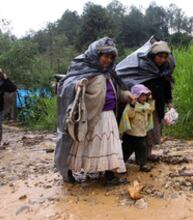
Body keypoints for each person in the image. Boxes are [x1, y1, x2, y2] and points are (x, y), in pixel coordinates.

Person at [55, 37, 134, 185]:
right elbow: (66, 87)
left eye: (111, 57)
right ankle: (70, 172)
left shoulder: (109, 74)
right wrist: (77, 86)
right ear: (96, 55)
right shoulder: (84, 72)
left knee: (108, 146)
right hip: (90, 117)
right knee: (86, 146)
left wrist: (126, 95)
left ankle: (109, 174)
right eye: (105, 56)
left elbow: (114, 93)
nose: (108, 60)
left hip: (108, 116)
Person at [116, 36, 175, 161]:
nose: (162, 59)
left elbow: (167, 89)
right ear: (153, 56)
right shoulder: (142, 69)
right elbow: (132, 85)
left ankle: (147, 155)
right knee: (137, 132)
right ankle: (127, 157)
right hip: (140, 107)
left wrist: (170, 104)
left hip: (156, 106)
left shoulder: (164, 72)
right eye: (160, 56)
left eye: (165, 57)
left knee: (152, 131)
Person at [119, 84, 154, 172]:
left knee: (142, 149)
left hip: (141, 133)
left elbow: (151, 110)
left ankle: (142, 164)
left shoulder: (146, 106)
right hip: (131, 133)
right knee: (126, 149)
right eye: (142, 95)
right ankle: (120, 163)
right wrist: (132, 106)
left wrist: (151, 100)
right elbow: (129, 115)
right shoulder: (132, 106)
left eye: (145, 95)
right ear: (137, 96)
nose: (144, 97)